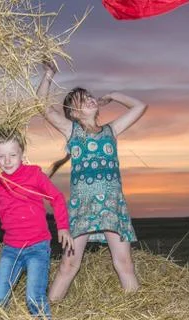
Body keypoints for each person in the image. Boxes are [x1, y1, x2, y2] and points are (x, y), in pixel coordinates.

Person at [42, 66, 148, 301]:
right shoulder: (72, 131)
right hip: (82, 207)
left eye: (90, 96)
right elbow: (43, 108)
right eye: (82, 100)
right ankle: (46, 312)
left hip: (112, 206)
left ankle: (137, 311)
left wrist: (113, 95)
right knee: (69, 266)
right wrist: (48, 75)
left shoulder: (111, 130)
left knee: (125, 264)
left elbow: (140, 107)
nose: (90, 99)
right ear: (74, 113)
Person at [0, 126, 74, 319]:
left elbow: (56, 198)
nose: (7, 161)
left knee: (34, 298)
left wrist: (62, 226)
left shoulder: (34, 175)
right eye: (1, 156)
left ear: (22, 153)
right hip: (11, 250)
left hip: (38, 248)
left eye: (12, 155)